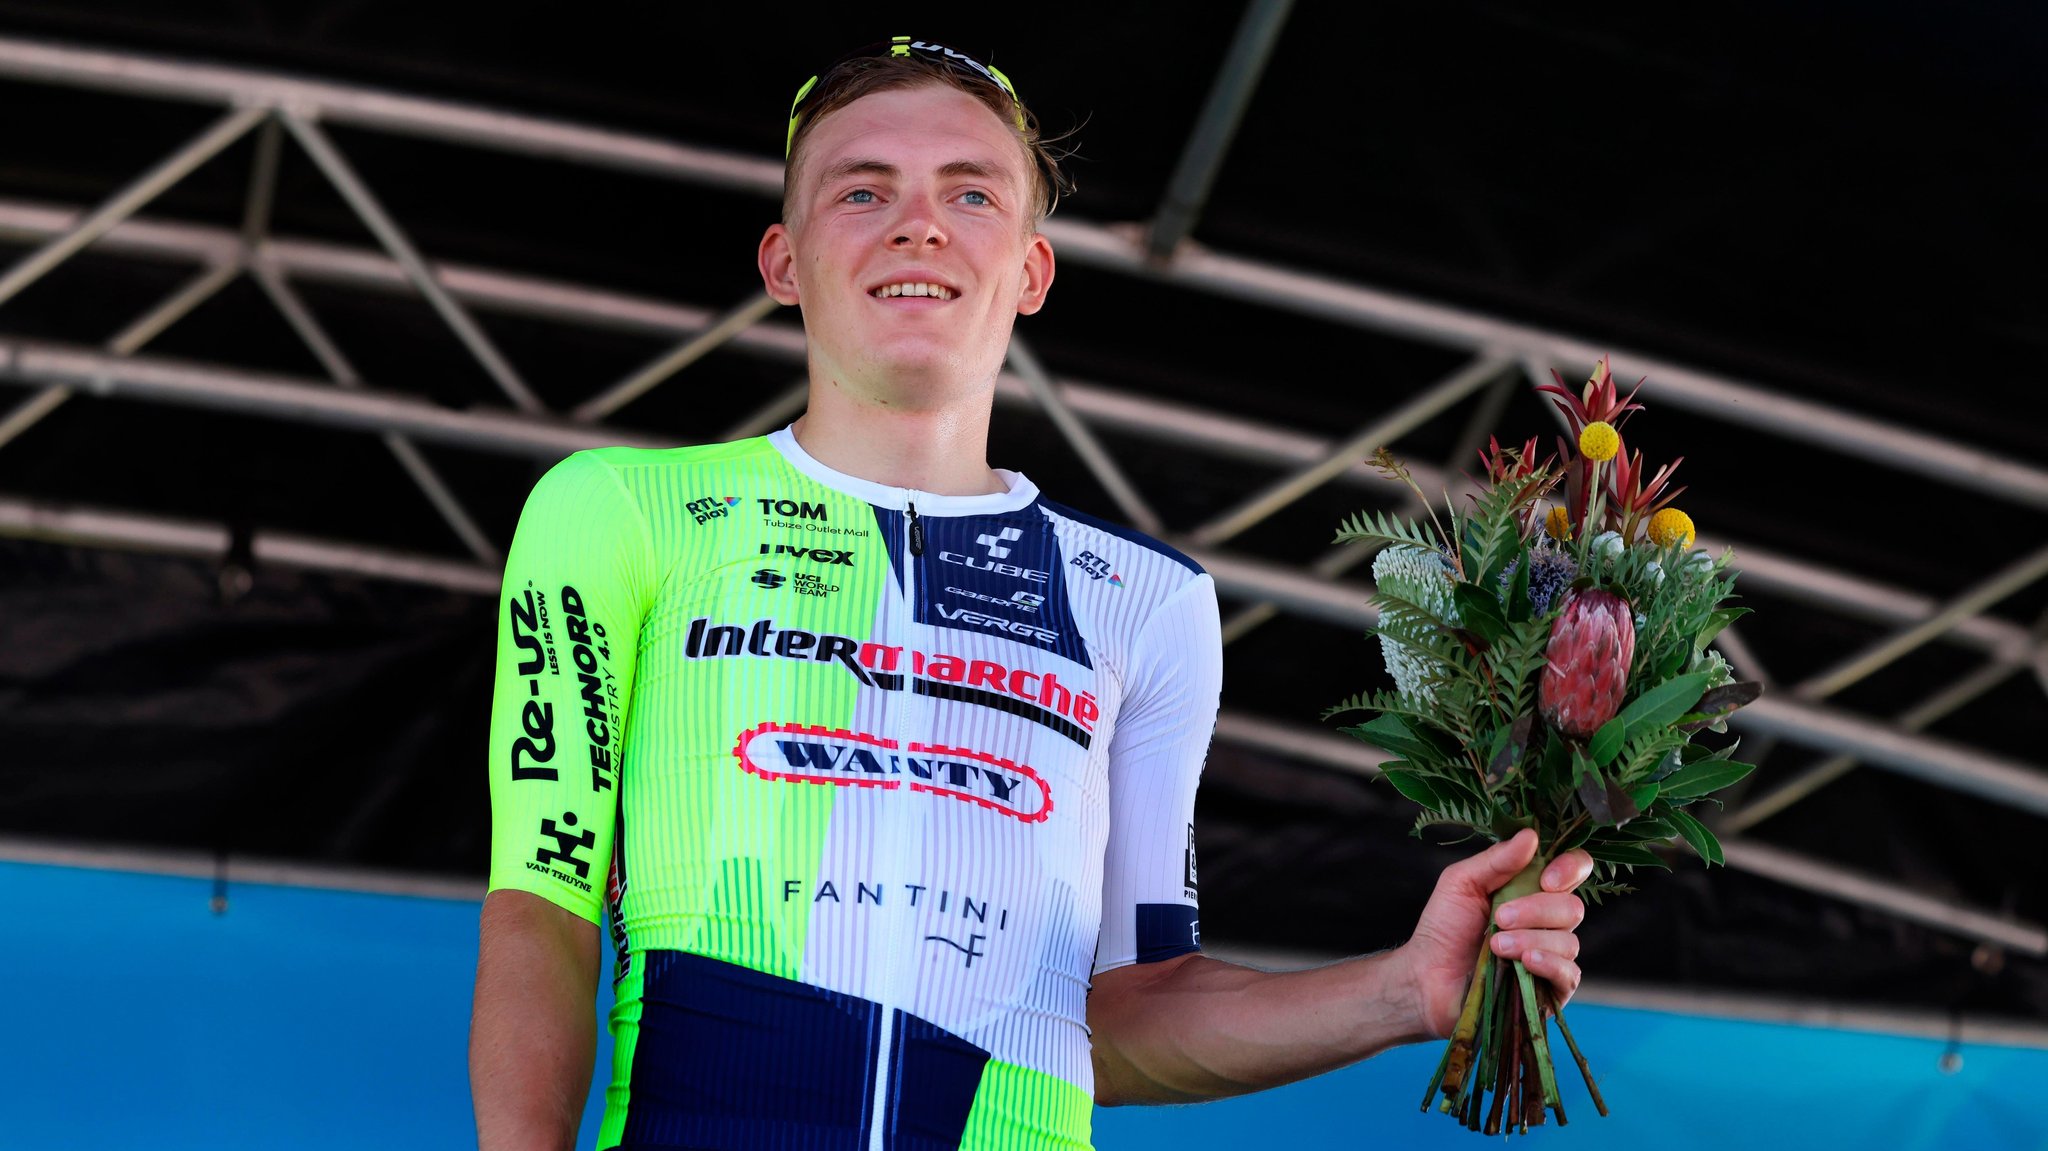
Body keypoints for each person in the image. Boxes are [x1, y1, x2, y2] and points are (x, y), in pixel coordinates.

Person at [469, 37, 1594, 1151]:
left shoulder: (1145, 602)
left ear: (1030, 270)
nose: (918, 223)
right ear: (781, 260)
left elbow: (1126, 1015)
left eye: (971, 192)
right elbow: (542, 906)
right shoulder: (622, 511)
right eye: (861, 190)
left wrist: (1401, 989)